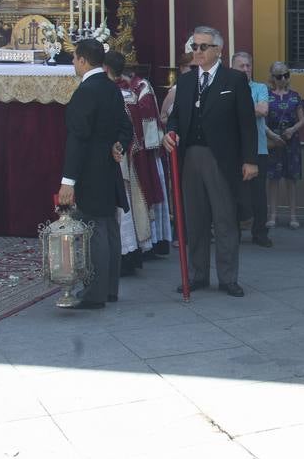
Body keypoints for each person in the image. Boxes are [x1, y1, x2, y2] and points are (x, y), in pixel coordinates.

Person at [163, 26, 258, 297]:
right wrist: (170, 133)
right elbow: (175, 116)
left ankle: (228, 277)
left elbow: (247, 124)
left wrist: (250, 160)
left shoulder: (234, 80)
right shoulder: (186, 81)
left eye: (203, 47)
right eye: (194, 46)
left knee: (225, 218)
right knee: (195, 219)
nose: (198, 52)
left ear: (218, 50)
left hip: (222, 158)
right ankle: (197, 274)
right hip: (190, 155)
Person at [56, 38, 131, 309]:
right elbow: (126, 126)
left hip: (90, 170)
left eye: (75, 58)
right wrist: (119, 145)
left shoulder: (86, 91)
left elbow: (77, 137)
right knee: (108, 228)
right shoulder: (112, 88)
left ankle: (94, 294)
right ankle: (110, 288)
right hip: (108, 167)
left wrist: (68, 180)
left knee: (93, 229)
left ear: (83, 60)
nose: (74, 63)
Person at [103, 51, 168, 273]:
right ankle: (131, 252)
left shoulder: (113, 92)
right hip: (131, 155)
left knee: (123, 208)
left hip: (121, 157)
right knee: (129, 206)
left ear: (105, 68)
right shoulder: (135, 90)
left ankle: (125, 253)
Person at [232, 51, 274, 248]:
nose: (246, 69)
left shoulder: (260, 88)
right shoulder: (226, 87)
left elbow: (263, 110)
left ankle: (260, 232)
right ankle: (234, 231)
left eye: (248, 66)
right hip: (233, 149)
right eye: (242, 66)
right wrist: (250, 109)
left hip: (259, 148)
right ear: (232, 68)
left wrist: (236, 109)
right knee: (234, 192)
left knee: (259, 193)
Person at [265, 61, 304, 230]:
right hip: (273, 141)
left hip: (291, 141)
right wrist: (272, 136)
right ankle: (272, 215)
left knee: (291, 179)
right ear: (272, 78)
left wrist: (293, 129)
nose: (283, 79)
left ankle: (293, 215)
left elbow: (302, 119)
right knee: (273, 179)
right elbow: (261, 121)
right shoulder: (266, 96)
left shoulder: (295, 96)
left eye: (286, 75)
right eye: (279, 76)